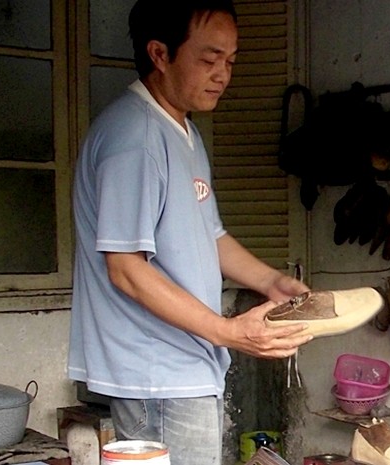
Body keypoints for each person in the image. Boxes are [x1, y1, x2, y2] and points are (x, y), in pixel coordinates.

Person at [67, 1, 312, 464]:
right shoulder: (134, 139)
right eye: (208, 58)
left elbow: (210, 234)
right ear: (160, 54)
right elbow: (125, 269)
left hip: (185, 363)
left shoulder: (183, 132)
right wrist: (228, 332)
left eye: (230, 61)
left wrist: (270, 282)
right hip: (155, 373)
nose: (223, 74)